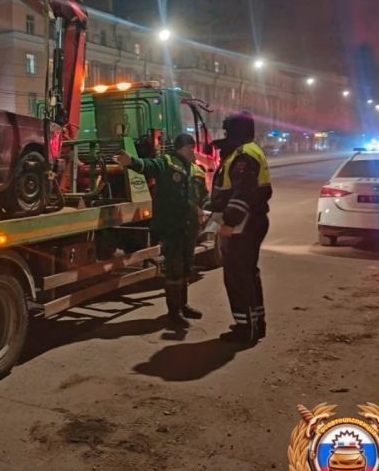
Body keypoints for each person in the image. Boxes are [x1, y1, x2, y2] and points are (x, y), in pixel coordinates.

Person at [115, 134, 209, 329]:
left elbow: (202, 196)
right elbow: (148, 166)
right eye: (192, 148)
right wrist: (131, 161)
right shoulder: (167, 164)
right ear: (184, 148)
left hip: (189, 228)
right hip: (173, 228)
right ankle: (174, 312)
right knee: (174, 270)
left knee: (186, 269)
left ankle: (184, 305)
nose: (194, 152)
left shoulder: (195, 170)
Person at [208, 111, 272, 343]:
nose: (225, 135)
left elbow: (243, 192)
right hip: (253, 222)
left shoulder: (243, 155)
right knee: (248, 274)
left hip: (244, 225)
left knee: (237, 277)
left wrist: (229, 222)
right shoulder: (250, 151)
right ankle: (256, 324)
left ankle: (246, 329)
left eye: (227, 131)